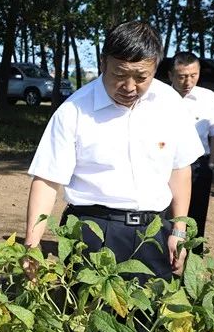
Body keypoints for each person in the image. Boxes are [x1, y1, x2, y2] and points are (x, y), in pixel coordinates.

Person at [23, 21, 204, 282]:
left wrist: (179, 229)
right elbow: (47, 179)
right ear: (103, 63)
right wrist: (32, 245)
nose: (130, 87)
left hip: (153, 233)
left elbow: (179, 168)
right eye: (119, 74)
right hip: (92, 232)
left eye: (142, 77)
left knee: (149, 317)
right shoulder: (74, 111)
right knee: (89, 317)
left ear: (155, 67)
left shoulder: (170, 104)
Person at [168, 51, 214, 254]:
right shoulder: (159, 97)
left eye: (193, 75)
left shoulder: (208, 97)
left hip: (199, 165)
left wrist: (212, 164)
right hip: (166, 166)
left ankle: (193, 260)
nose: (188, 81)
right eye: (182, 76)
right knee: (166, 214)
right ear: (171, 75)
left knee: (196, 216)